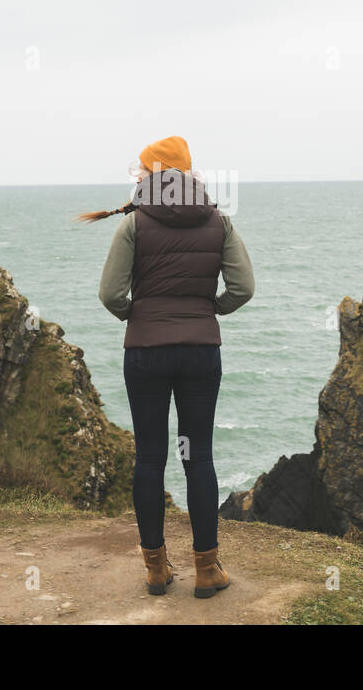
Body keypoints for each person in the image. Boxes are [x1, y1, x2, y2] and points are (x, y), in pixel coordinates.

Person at [79, 136, 254, 598]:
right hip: (200, 351)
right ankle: (207, 571)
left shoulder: (133, 225)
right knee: (198, 457)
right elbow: (243, 288)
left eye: (138, 168)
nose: (134, 174)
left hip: (146, 352)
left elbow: (111, 295)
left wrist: (138, 318)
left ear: (153, 174)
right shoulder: (219, 221)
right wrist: (208, 310)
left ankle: (156, 570)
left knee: (150, 458)